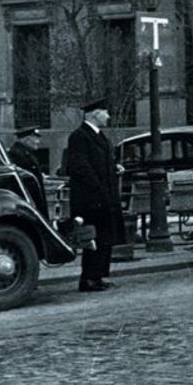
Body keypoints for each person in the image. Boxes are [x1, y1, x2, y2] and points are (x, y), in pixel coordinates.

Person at [65, 97, 124, 292]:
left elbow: (99, 162)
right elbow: (80, 167)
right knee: (93, 239)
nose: (108, 116)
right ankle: (88, 278)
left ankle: (98, 276)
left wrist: (114, 167)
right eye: (105, 112)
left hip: (104, 197)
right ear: (94, 114)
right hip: (91, 199)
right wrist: (98, 187)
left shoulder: (99, 136)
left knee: (104, 238)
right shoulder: (79, 136)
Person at [7, 126, 49, 218]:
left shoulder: (25, 153)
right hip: (29, 201)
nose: (38, 142)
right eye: (36, 139)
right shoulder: (17, 154)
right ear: (27, 139)